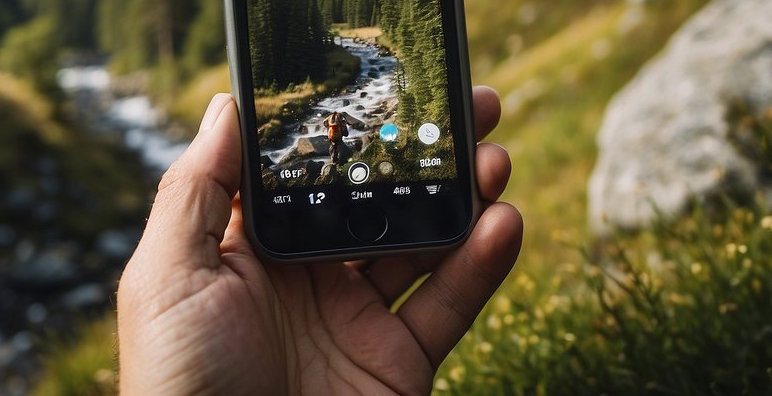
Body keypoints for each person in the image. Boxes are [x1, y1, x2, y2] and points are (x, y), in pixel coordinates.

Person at [117, 87, 522, 394]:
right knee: (342, 156)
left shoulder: (333, 123)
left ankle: (336, 167)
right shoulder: (336, 124)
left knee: (340, 156)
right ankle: (337, 166)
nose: (335, 120)